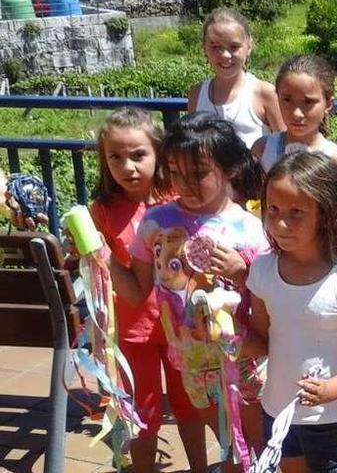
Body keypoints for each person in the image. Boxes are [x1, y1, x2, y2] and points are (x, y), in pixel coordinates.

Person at [114, 112, 269, 472]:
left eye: (198, 172)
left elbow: (271, 299)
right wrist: (103, 260)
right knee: (226, 441)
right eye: (175, 172)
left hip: (244, 358)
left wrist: (243, 272)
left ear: (229, 168)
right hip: (191, 361)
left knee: (254, 440)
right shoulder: (157, 223)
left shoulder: (250, 229)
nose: (185, 183)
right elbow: (137, 293)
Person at [247, 151, 337, 473]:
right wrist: (222, 340)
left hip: (335, 420)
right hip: (279, 411)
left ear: (327, 212)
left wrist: (330, 390)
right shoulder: (263, 271)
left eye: (296, 212)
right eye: (273, 209)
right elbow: (261, 337)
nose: (280, 223)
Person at [89, 108, 206, 473]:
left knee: (189, 405)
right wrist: (92, 253)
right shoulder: (102, 211)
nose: (128, 167)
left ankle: (201, 468)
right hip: (134, 330)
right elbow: (109, 275)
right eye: (116, 157)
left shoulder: (180, 201)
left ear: (158, 153)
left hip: (181, 327)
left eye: (138, 155)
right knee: (142, 410)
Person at [252, 54, 337, 199]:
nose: (297, 113)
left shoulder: (335, 160)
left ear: (328, 104)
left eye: (308, 102)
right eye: (287, 100)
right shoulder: (262, 150)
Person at [188, 8, 284, 149]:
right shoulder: (196, 94)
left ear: (249, 46)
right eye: (216, 47)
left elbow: (284, 150)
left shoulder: (266, 94)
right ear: (204, 48)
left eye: (234, 47)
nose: (225, 55)